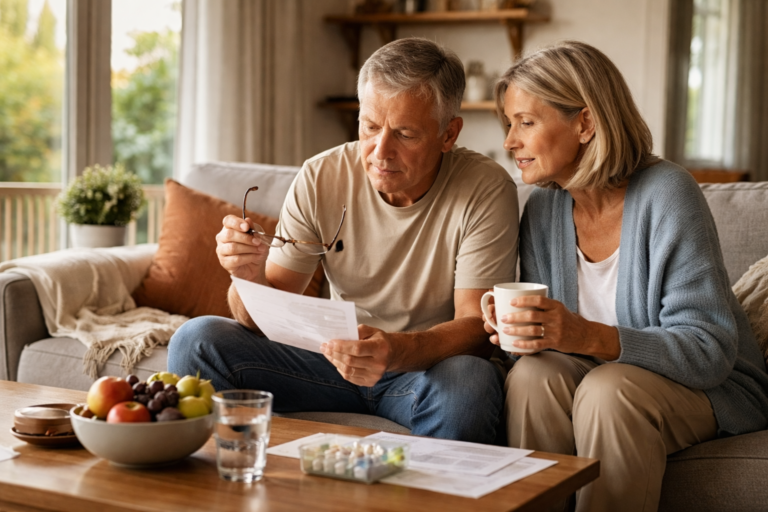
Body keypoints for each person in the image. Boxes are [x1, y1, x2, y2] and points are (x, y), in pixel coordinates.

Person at [168, 38, 520, 444]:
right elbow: (263, 319)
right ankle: (232, 490)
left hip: (424, 370)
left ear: (448, 133)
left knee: (470, 381)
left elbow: (475, 329)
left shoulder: (485, 188)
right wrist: (247, 276)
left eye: (405, 134)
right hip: (331, 361)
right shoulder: (321, 176)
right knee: (197, 340)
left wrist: (396, 350)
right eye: (370, 127)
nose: (380, 151)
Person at [485, 41, 768, 511]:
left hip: (711, 386)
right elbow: (553, 348)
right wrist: (519, 331)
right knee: (533, 377)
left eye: (526, 122)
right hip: (598, 376)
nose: (510, 141)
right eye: (509, 124)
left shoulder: (668, 194)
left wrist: (586, 335)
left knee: (608, 391)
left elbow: (709, 351)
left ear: (586, 123)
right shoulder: (542, 208)